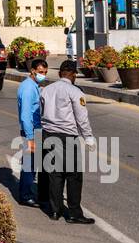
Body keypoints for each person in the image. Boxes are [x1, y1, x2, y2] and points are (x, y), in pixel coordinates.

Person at [39, 59, 96, 224]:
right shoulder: (75, 92)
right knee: (73, 176)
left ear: (59, 74)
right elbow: (82, 118)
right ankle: (74, 213)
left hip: (49, 135)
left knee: (55, 175)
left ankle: (54, 211)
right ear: (74, 75)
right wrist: (88, 137)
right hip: (67, 137)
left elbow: (41, 113)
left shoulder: (46, 90)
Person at [15, 57, 49, 208]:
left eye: (45, 72)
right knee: (29, 164)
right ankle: (25, 195)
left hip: (36, 130)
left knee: (33, 164)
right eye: (41, 72)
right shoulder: (28, 88)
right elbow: (25, 116)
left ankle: (27, 192)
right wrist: (30, 138)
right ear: (32, 71)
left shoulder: (34, 85)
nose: (43, 75)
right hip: (32, 132)